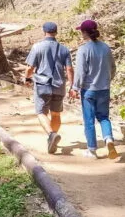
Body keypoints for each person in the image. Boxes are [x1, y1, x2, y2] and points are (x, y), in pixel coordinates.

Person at [69, 19, 118, 159]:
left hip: (89, 90)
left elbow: (80, 72)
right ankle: (108, 139)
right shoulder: (106, 48)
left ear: (85, 33)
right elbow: (113, 68)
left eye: (81, 32)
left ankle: (92, 149)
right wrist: (107, 80)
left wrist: (75, 88)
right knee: (103, 117)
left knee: (89, 120)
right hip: (104, 89)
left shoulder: (83, 50)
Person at [24, 22, 74, 155]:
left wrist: (27, 78)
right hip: (59, 86)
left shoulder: (37, 47)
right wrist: (72, 85)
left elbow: (30, 68)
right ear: (56, 32)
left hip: (42, 85)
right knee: (56, 113)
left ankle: (51, 135)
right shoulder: (64, 49)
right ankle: (53, 138)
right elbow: (69, 69)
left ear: (44, 31)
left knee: (41, 112)